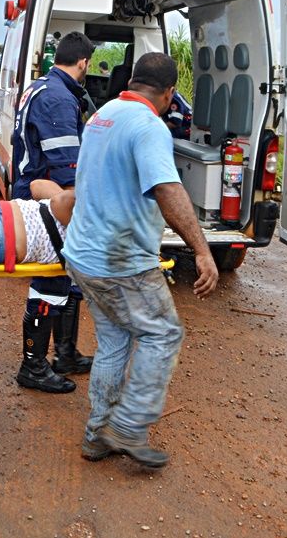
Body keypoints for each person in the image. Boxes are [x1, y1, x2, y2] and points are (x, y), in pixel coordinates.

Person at [63, 52, 219, 469]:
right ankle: (128, 428)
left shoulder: (104, 115)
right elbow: (168, 190)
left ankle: (98, 435)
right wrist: (202, 251)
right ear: (169, 93)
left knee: (115, 341)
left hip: (82, 254)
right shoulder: (150, 126)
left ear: (132, 80)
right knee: (163, 334)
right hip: (119, 262)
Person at [10, 31, 96, 394]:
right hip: (45, 197)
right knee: (50, 281)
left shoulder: (42, 86)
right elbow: (67, 166)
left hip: (38, 190)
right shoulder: (60, 98)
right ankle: (33, 365)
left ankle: (65, 355)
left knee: (66, 277)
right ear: (83, 63)